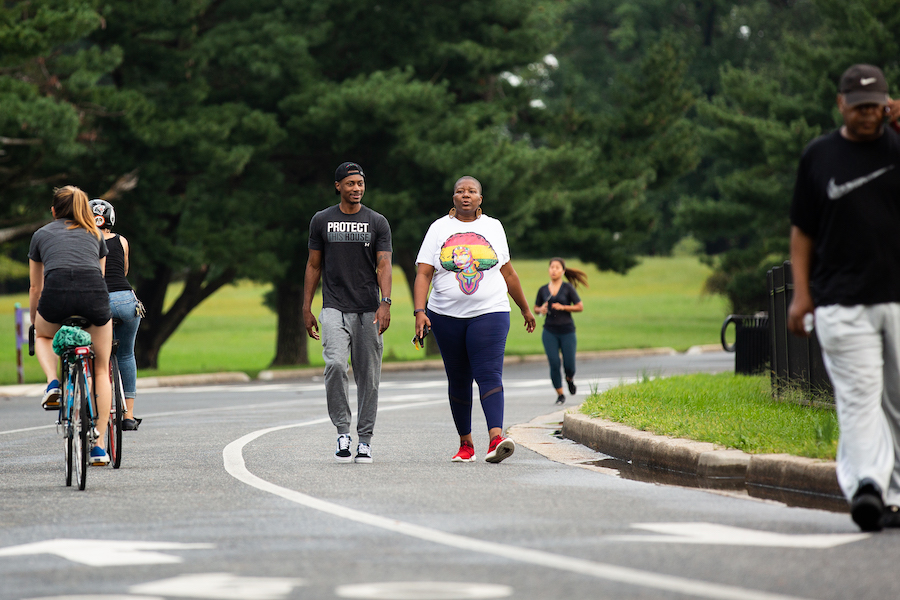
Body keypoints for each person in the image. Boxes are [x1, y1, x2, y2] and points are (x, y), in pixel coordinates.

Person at [787, 64, 900, 531]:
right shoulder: (819, 156)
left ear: (887, 104)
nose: (867, 114)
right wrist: (801, 295)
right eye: (858, 107)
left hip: (896, 298)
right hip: (840, 302)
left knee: (897, 400)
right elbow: (802, 232)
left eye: (875, 106)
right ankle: (869, 488)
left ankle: (893, 492)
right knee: (859, 398)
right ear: (841, 105)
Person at [413, 176, 536, 464]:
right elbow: (424, 273)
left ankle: (496, 439)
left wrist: (524, 308)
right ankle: (466, 445)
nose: (465, 195)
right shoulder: (438, 228)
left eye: (471, 191)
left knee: (489, 373)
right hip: (445, 316)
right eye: (460, 191)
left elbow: (508, 272)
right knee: (458, 379)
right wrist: (420, 311)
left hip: (490, 311)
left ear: (480, 198)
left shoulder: (494, 227)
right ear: (453, 198)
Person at [303, 162, 393, 464]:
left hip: (368, 309)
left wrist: (385, 302)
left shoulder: (377, 222)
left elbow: (384, 264)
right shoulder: (322, 220)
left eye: (360, 183)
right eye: (351, 183)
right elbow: (313, 265)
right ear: (338, 186)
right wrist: (306, 307)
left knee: (369, 378)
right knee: (335, 366)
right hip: (334, 307)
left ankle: (364, 440)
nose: (356, 188)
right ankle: (343, 432)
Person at [29, 186, 113, 466]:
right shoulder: (96, 234)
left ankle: (52, 382)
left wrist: (36, 321)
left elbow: (35, 287)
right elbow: (100, 277)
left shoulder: (41, 234)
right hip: (93, 297)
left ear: (53, 211)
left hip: (56, 297)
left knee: (42, 336)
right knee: (100, 368)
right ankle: (99, 446)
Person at [90, 199, 143, 431]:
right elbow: (124, 270)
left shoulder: (84, 240)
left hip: (98, 300)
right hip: (125, 300)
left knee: (94, 356)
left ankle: (96, 408)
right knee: (126, 354)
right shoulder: (122, 240)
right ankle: (128, 415)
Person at [534, 258, 587, 405]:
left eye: (557, 268)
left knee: (569, 364)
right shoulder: (543, 290)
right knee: (554, 362)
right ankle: (560, 394)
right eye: (552, 267)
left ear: (563, 271)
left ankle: (569, 379)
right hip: (549, 331)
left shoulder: (568, 288)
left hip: (567, 330)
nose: (554, 270)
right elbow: (536, 308)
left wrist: (563, 307)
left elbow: (580, 306)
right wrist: (541, 310)